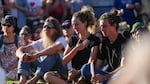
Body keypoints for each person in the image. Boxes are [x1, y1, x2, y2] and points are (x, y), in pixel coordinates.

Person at [16, 16, 67, 84]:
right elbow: (20, 49)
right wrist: (22, 55)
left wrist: (37, 55)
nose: (46, 28)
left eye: (49, 27)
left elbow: (56, 49)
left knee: (53, 54)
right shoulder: (41, 41)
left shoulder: (61, 39)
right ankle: (22, 80)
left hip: (60, 72)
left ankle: (33, 80)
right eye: (44, 26)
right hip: (43, 72)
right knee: (25, 53)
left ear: (56, 30)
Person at [83, 10, 128, 84]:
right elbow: (98, 65)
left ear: (114, 26)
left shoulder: (124, 42)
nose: (102, 29)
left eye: (104, 26)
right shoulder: (104, 42)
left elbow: (123, 67)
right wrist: (95, 76)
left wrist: (105, 77)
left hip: (120, 76)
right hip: (109, 76)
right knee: (85, 68)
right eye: (101, 26)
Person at [61, 8, 100, 83]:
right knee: (48, 75)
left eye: (77, 24)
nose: (74, 27)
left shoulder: (94, 39)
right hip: (73, 73)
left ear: (85, 23)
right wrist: (76, 49)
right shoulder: (73, 39)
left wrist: (78, 72)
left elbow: (91, 62)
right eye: (73, 25)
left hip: (86, 73)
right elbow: (63, 61)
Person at [0, 15, 19, 80]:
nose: (5, 27)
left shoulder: (18, 39)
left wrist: (10, 68)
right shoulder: (0, 39)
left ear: (13, 27)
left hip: (15, 69)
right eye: (4, 25)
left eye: (8, 25)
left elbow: (22, 58)